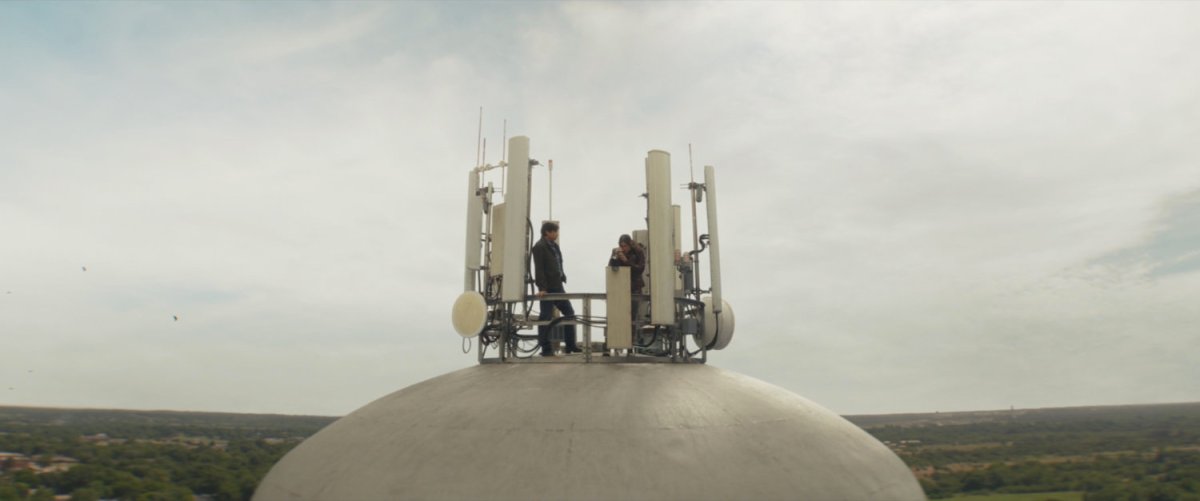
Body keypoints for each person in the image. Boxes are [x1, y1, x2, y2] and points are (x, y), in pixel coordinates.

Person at [532, 221, 579, 356]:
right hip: (547, 288)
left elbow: (558, 263)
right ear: (547, 232)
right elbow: (539, 269)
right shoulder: (539, 247)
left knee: (569, 314)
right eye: (555, 231)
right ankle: (546, 349)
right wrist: (542, 288)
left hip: (558, 285)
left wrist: (562, 276)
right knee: (545, 318)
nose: (557, 234)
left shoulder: (554, 246)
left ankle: (570, 345)